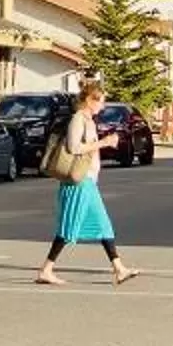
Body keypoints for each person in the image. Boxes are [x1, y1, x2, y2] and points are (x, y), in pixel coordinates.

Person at [36, 79, 136, 287]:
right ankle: (46, 270)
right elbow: (73, 148)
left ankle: (119, 269)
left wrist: (101, 144)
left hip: (89, 180)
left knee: (104, 225)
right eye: (100, 101)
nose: (103, 106)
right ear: (90, 100)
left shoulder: (89, 121)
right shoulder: (78, 119)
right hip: (78, 182)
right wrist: (104, 142)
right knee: (68, 228)